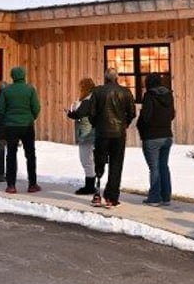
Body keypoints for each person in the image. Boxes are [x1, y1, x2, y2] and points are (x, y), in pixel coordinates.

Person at [89, 68, 136, 207]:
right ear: (117, 78)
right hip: (119, 133)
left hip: (102, 132)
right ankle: (112, 197)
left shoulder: (97, 92)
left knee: (99, 161)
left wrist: (96, 125)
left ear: (105, 78)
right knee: (116, 164)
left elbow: (91, 113)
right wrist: (125, 124)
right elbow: (132, 113)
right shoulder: (126, 92)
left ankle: (97, 193)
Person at [0, 66, 41, 194]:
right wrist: (31, 117)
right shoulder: (30, 89)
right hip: (27, 125)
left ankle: (11, 185)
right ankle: (32, 184)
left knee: (11, 154)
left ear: (12, 76)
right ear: (24, 75)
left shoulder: (6, 91)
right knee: (30, 155)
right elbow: (36, 107)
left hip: (11, 126)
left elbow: (0, 109)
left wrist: (7, 119)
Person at [137, 73, 176, 206]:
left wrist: (140, 125)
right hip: (166, 134)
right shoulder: (168, 95)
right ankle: (166, 197)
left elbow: (146, 117)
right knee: (163, 166)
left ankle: (154, 198)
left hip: (151, 136)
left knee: (154, 168)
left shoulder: (149, 95)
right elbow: (172, 114)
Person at [65, 77, 97, 195]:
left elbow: (80, 114)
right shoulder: (95, 97)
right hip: (94, 131)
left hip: (86, 133)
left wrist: (70, 113)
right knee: (91, 159)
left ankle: (90, 186)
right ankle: (92, 184)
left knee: (86, 159)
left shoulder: (87, 100)